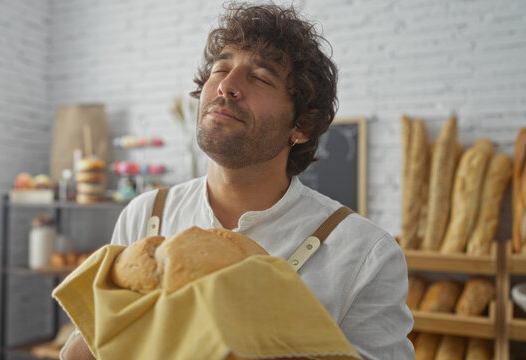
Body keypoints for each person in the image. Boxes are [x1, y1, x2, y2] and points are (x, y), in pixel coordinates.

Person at [61, 2, 414, 359]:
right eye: (220, 69)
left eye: (260, 77)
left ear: (302, 126)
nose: (226, 86)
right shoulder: (146, 214)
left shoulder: (365, 254)